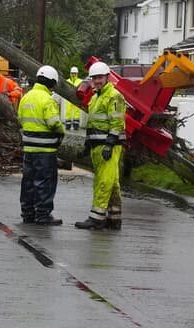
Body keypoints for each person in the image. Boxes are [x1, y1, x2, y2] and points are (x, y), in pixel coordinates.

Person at [75, 61, 126, 230]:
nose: (97, 81)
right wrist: (88, 144)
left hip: (108, 146)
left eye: (100, 77)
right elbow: (94, 123)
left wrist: (110, 144)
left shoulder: (114, 96)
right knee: (111, 182)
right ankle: (114, 218)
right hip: (98, 146)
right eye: (94, 78)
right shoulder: (97, 97)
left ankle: (96, 218)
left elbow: (117, 122)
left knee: (103, 182)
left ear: (107, 77)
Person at [18, 65, 64, 225]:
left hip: (29, 149)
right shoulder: (47, 100)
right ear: (51, 82)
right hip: (45, 151)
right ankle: (43, 215)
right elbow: (54, 123)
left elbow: (20, 119)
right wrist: (62, 131)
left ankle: (27, 213)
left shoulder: (26, 97)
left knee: (28, 181)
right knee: (45, 182)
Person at [64, 66, 83, 131]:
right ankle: (68, 125)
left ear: (77, 74)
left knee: (76, 112)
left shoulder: (80, 81)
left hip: (77, 99)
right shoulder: (67, 81)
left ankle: (76, 125)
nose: (73, 74)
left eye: (74, 73)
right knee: (68, 112)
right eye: (72, 73)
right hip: (69, 99)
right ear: (70, 73)